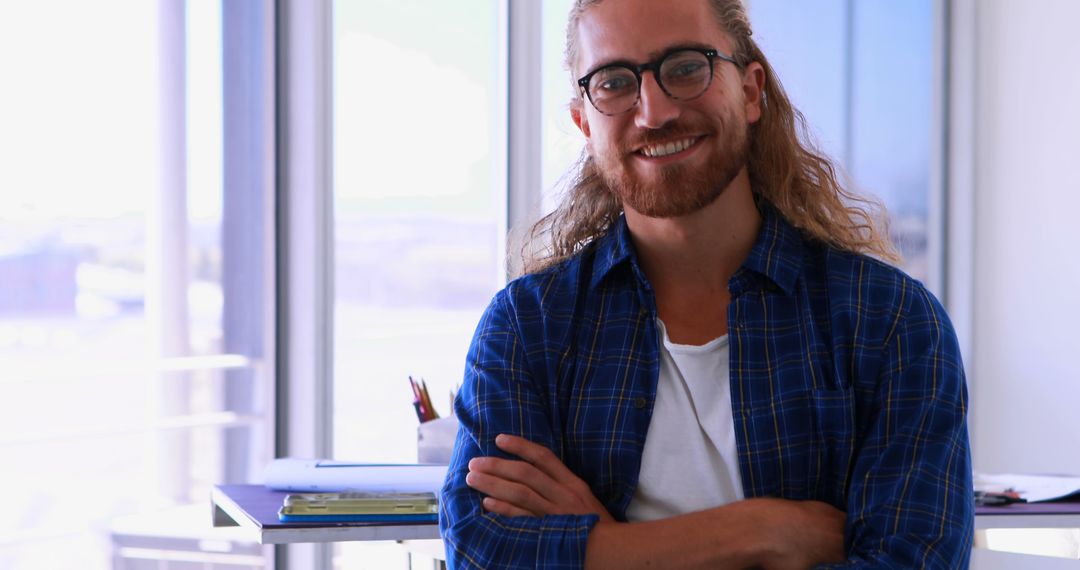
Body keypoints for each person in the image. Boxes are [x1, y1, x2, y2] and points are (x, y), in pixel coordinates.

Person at [439, 0, 974, 567]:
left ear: (749, 92)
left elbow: (914, 560)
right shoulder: (530, 326)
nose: (654, 111)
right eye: (615, 81)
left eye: (686, 67)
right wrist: (763, 530)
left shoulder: (888, 320)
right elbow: (481, 554)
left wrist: (602, 546)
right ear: (585, 125)